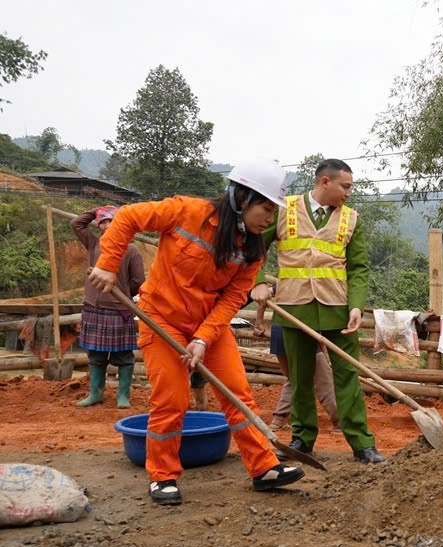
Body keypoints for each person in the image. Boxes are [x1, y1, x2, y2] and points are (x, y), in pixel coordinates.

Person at [88, 158, 305, 505]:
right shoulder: (188, 211)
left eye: (274, 211)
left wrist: (203, 338)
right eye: (266, 208)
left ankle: (264, 467)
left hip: (209, 326)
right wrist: (108, 264)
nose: (270, 218)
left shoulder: (253, 248)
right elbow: (128, 217)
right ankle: (163, 475)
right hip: (162, 321)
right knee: (171, 400)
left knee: (237, 392)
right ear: (243, 197)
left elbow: (234, 296)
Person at [250, 159, 382, 463]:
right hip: (294, 308)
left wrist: (356, 306)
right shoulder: (284, 208)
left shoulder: (351, 219)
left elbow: (359, 268)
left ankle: (362, 443)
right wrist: (256, 282)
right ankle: (302, 439)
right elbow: (257, 245)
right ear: (325, 182)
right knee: (300, 376)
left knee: (347, 375)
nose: (349, 193)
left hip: (337, 309)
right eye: (345, 186)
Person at [71, 206, 145, 408]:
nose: (107, 225)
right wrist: (95, 210)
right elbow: (76, 223)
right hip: (93, 307)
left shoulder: (131, 250)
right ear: (98, 225)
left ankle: (123, 396)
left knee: (124, 357)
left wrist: (121, 293)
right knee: (95, 355)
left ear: (120, 224)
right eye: (103, 221)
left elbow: (138, 281)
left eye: (111, 220)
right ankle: (96, 394)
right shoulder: (94, 244)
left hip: (119, 310)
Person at [255, 308, 341, 434]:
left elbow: (262, 296)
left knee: (294, 377)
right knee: (324, 381)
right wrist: (323, 351)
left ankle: (279, 419)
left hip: (279, 330)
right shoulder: (309, 290)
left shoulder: (280, 287)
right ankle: (340, 422)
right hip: (301, 329)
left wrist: (259, 323)